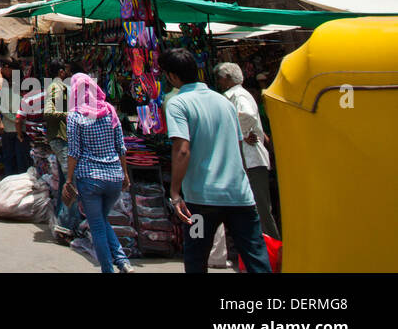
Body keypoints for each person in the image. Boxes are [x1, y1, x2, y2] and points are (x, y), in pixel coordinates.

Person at [160, 49, 272, 274]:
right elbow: (238, 146)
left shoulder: (178, 104)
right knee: (256, 259)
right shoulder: (224, 103)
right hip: (239, 197)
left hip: (200, 202)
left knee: (195, 258)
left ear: (172, 76)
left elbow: (182, 150)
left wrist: (174, 192)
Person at [63, 72, 133, 274]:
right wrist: (125, 174)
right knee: (101, 220)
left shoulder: (75, 116)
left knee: (97, 226)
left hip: (90, 178)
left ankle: (108, 269)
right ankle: (123, 262)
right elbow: (121, 146)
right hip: (114, 177)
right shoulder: (110, 110)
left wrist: (69, 179)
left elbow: (74, 152)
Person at [214, 62, 279, 241]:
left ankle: (273, 249)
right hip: (249, 159)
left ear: (227, 79)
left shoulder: (237, 95)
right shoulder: (238, 94)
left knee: (260, 208)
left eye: (220, 78)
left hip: (251, 159)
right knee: (255, 208)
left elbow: (247, 116)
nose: (218, 82)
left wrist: (240, 135)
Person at [42, 62, 79, 237]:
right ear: (61, 72)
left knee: (66, 179)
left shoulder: (58, 87)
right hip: (60, 138)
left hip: (61, 137)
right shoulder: (56, 87)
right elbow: (49, 112)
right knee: (71, 183)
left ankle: (60, 218)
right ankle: (66, 225)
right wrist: (69, 114)